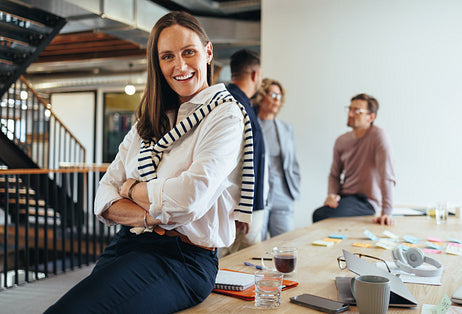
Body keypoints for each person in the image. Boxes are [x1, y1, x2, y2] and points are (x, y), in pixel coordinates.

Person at [45, 11, 254, 313]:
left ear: (208, 52)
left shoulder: (224, 115)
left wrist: (131, 190)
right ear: (157, 63)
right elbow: (104, 194)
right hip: (127, 243)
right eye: (167, 56)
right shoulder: (148, 120)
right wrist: (153, 216)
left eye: (189, 52)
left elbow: (188, 201)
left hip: (182, 259)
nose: (179, 66)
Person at [312, 93, 395, 225]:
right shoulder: (341, 141)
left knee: (320, 215)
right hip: (345, 198)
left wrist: (387, 212)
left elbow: (387, 175)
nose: (350, 114)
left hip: (367, 201)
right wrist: (332, 195)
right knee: (320, 214)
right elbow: (334, 175)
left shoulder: (378, 137)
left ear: (371, 117)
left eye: (357, 111)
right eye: (349, 109)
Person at [223, 49, 265, 254]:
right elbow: (233, 162)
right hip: (241, 208)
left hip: (243, 205)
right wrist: (243, 207)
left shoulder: (239, 103)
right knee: (242, 261)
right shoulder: (235, 105)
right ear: (255, 74)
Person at [255, 78, 300, 239]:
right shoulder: (251, 126)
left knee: (286, 246)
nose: (276, 100)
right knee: (255, 246)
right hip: (259, 195)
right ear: (261, 95)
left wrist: (294, 189)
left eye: (279, 96)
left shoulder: (286, 128)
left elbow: (292, 162)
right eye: (273, 94)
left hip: (283, 194)